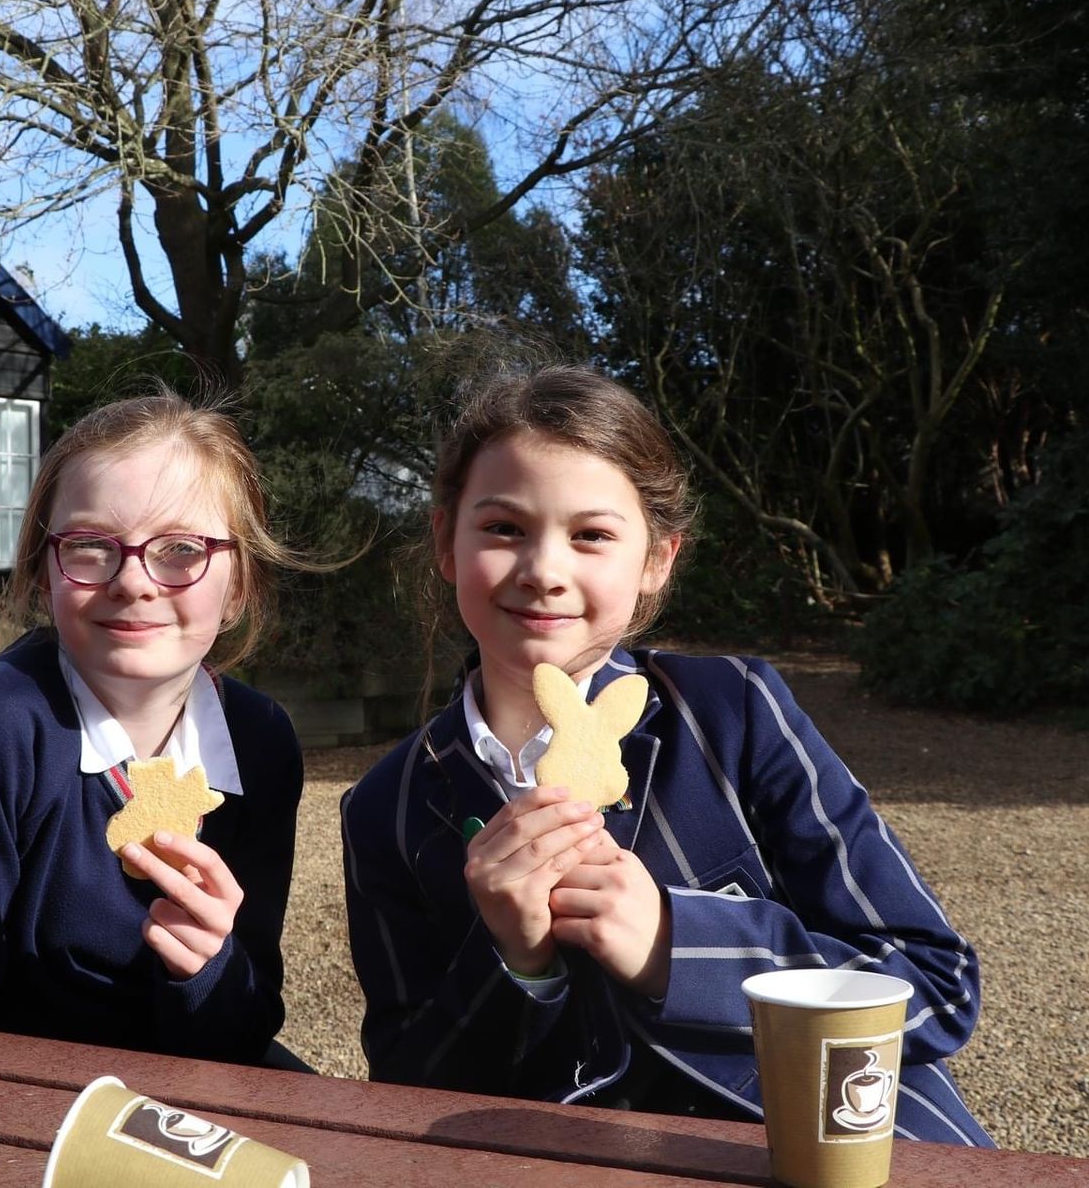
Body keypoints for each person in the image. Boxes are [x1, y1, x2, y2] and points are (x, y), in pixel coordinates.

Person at [340, 365, 991, 1143]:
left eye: (591, 536)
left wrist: (673, 945)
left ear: (657, 561)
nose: (544, 571)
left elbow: (936, 985)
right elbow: (408, 1089)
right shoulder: (389, 805)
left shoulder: (731, 713)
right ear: (446, 542)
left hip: (825, 1155)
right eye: (504, 528)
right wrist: (516, 963)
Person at [0, 393, 306, 1067]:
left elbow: (247, 1021)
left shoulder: (261, 741)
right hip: (19, 1100)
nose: (133, 581)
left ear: (240, 582)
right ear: (45, 575)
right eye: (90, 546)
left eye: (181, 549)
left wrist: (209, 968)